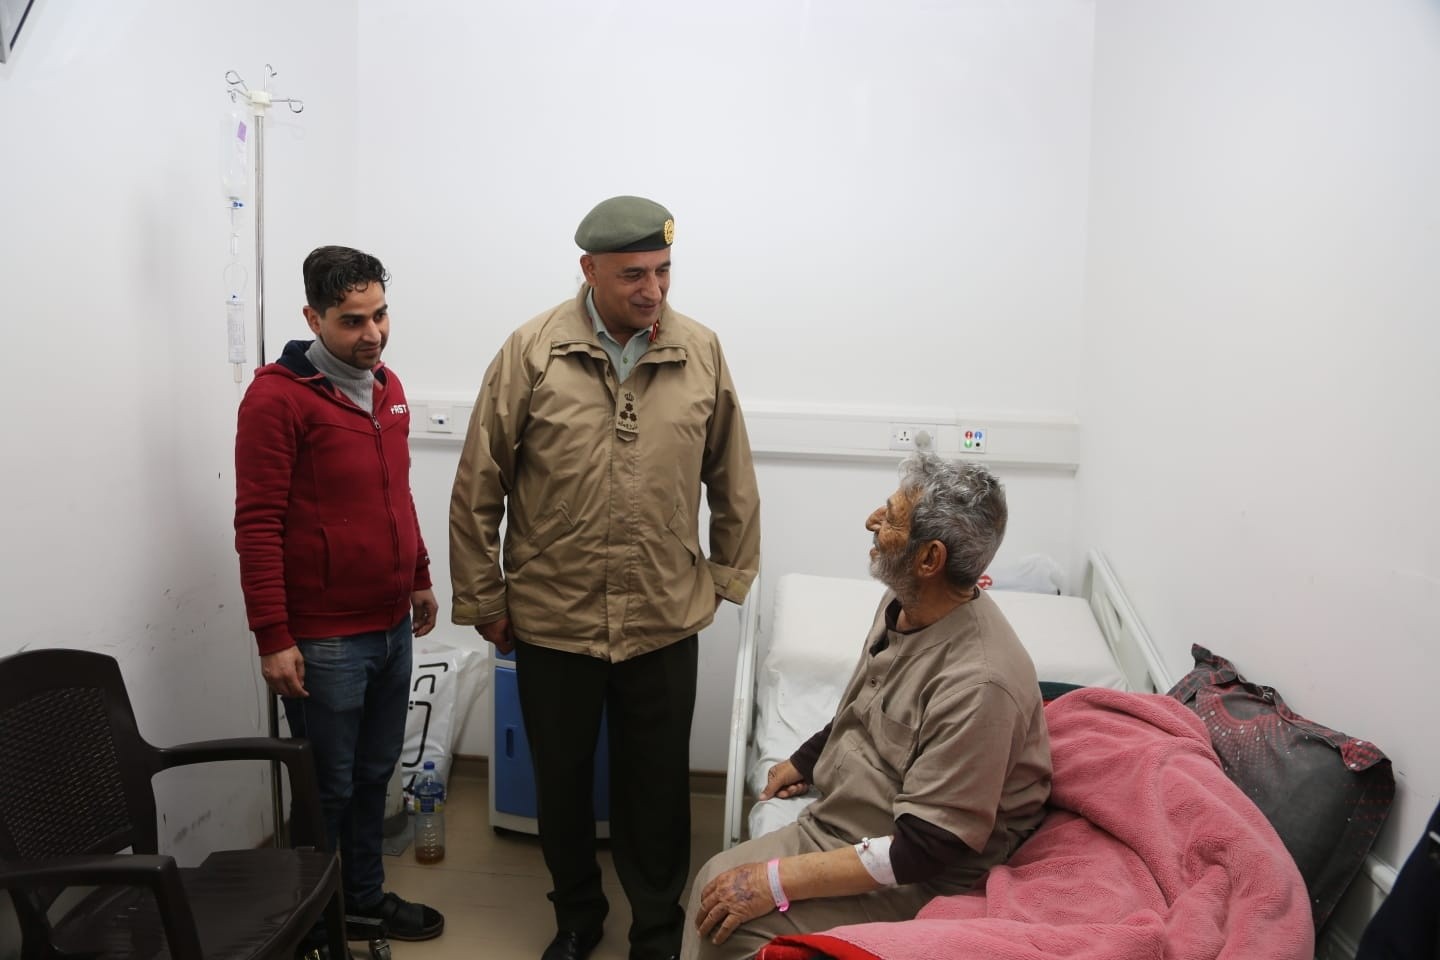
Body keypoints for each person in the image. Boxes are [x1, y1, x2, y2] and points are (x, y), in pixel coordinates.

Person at [449, 196, 761, 960]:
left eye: (663, 271)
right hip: (553, 614)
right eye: (633, 275)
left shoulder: (700, 350)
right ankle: (577, 915)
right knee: (561, 782)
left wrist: (726, 576)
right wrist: (484, 597)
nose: (653, 289)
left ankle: (656, 930)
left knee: (657, 787)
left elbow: (733, 475)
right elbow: (479, 482)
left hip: (662, 613)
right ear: (589, 269)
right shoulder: (533, 352)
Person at [683, 454, 1052, 960]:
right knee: (714, 885)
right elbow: (871, 702)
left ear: (930, 559)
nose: (872, 521)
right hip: (851, 819)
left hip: (917, 871)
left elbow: (924, 849)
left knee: (726, 927)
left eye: (892, 516)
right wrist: (808, 759)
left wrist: (774, 881)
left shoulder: (980, 684)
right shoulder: (905, 604)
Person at [234, 245, 445, 948]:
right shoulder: (277, 399)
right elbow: (257, 523)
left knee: (375, 775)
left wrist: (418, 574)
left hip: (389, 623)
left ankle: (362, 900)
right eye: (353, 320)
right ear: (313, 318)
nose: (373, 333)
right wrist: (273, 635)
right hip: (323, 636)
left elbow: (396, 494)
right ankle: (312, 924)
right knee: (328, 785)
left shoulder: (387, 387)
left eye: (380, 314)